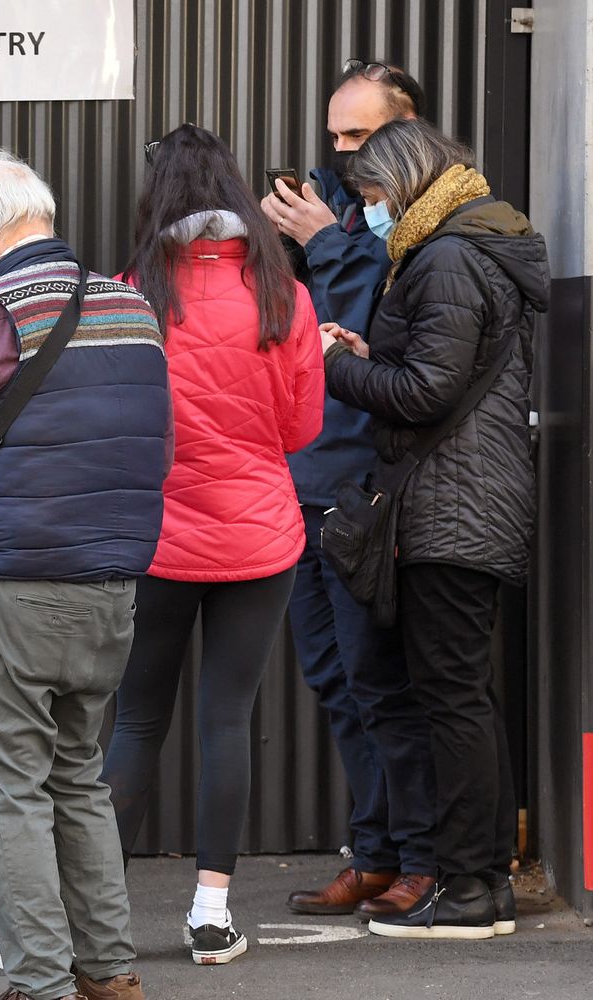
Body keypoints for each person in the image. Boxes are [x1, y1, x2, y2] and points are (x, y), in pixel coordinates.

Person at [0, 149, 168, 1000]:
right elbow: (159, 443)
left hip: (16, 582)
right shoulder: (133, 303)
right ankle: (110, 972)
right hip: (115, 584)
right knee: (77, 778)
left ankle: (41, 983)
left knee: (11, 792)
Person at [102, 125, 324, 965]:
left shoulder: (129, 293)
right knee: (227, 717)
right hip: (259, 537)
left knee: (136, 719)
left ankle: (99, 916)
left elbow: (120, 425)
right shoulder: (285, 296)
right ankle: (210, 914)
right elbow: (302, 429)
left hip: (158, 538)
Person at [322, 118, 547, 939]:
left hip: (454, 508)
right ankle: (482, 883)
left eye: (375, 195)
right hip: (462, 501)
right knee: (463, 698)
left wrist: (339, 368)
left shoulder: (448, 256)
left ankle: (472, 889)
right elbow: (433, 374)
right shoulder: (458, 248)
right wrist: (365, 354)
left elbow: (425, 393)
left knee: (452, 700)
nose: (371, 211)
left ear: (408, 183)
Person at [261, 59, 441, 924]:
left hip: (366, 489)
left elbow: (369, 333)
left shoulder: (415, 230)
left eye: (359, 135)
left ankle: (419, 856)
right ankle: (372, 852)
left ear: (405, 132)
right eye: (335, 133)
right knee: (332, 678)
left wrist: (327, 241)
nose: (341, 151)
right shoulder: (334, 217)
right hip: (304, 484)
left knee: (381, 682)